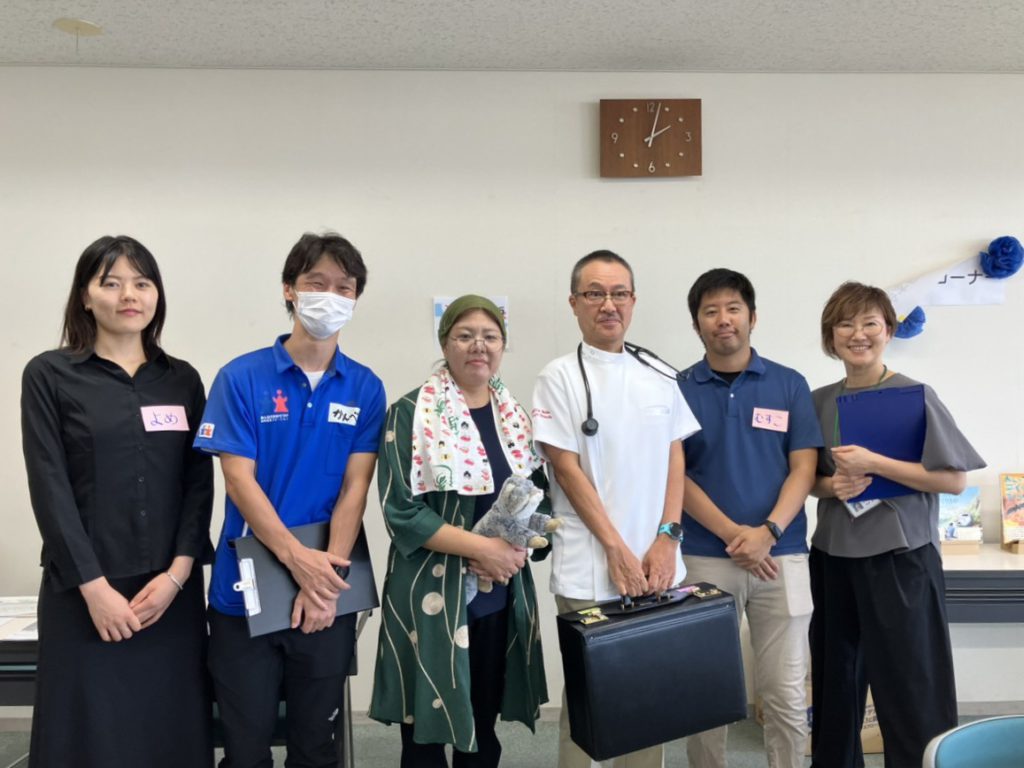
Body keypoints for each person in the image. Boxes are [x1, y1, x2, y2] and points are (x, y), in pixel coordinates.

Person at [21, 235, 214, 768]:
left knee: (168, 731)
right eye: (111, 283)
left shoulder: (182, 380)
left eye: (142, 282)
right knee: (86, 736)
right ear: (85, 296)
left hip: (167, 595)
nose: (129, 294)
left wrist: (178, 576)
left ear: (157, 295)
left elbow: (199, 484)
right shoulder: (50, 375)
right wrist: (94, 588)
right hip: (84, 593)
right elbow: (49, 485)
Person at [194, 232, 386, 768]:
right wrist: (298, 561)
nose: (331, 296)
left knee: (315, 746)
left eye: (343, 287)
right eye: (315, 283)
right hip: (245, 589)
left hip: (326, 593)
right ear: (289, 291)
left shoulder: (365, 388)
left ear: (355, 298)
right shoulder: (241, 377)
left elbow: (355, 489)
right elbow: (240, 482)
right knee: (245, 745)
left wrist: (325, 583)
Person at [531, 250, 700, 768]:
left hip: (658, 565)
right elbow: (566, 468)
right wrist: (616, 548)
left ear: (633, 301)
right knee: (588, 703)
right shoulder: (557, 377)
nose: (609, 304)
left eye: (619, 293)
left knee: (648, 700)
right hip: (590, 567)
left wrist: (667, 537)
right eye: (595, 293)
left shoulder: (659, 372)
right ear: (574, 303)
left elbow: (676, 456)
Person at [809, 282, 984, 768]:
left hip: (901, 560)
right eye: (845, 324)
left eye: (870, 323)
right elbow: (808, 479)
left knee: (911, 686)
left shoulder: (914, 395)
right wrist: (831, 487)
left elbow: (953, 479)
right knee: (835, 685)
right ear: (831, 336)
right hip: (833, 557)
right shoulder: (818, 400)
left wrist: (877, 464)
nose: (857, 333)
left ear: (888, 331)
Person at [370, 295, 549, 768]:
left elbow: (539, 493)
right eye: (465, 335)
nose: (479, 346)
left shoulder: (514, 417)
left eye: (490, 337)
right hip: (430, 595)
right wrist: (482, 549)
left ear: (503, 346)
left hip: (497, 594)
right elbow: (400, 509)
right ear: (445, 343)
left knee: (482, 727)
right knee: (424, 738)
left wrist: (515, 547)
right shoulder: (410, 413)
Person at [676, 268, 823, 768]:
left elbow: (803, 467)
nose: (723, 320)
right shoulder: (676, 389)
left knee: (784, 689)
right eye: (710, 311)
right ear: (697, 324)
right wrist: (736, 536)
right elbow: (676, 476)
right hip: (702, 557)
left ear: (752, 317)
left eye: (733, 309)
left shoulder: (789, 384)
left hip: (782, 557)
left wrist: (769, 532)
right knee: (705, 690)